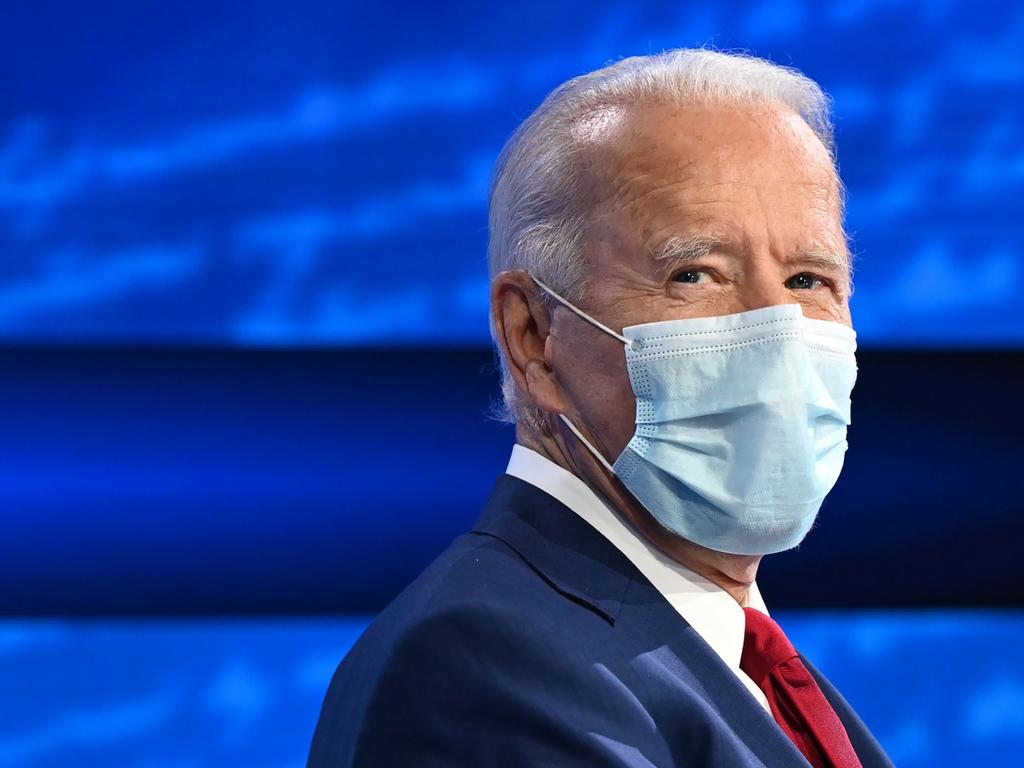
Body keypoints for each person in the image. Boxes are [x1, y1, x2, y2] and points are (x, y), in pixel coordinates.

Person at [308, 49, 894, 767]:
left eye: (809, 279)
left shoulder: (748, 670)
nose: (778, 331)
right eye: (694, 274)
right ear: (534, 336)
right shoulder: (485, 664)